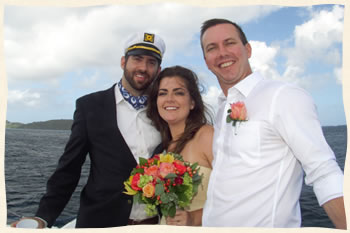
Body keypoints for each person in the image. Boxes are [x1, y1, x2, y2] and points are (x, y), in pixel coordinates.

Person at [200, 18, 347, 229]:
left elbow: (324, 171)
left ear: (248, 49)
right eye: (212, 48)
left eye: (230, 43)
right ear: (206, 61)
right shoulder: (222, 107)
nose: (222, 52)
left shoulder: (283, 96)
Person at [10, 32, 166, 228]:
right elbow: (69, 167)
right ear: (123, 62)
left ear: (159, 70)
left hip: (155, 224)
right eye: (137, 59)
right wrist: (43, 216)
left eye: (151, 62)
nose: (143, 67)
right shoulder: (90, 106)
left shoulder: (164, 110)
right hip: (100, 223)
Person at [146, 65, 214, 226]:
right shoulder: (163, 149)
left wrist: (194, 218)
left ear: (192, 102)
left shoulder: (206, 136)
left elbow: (235, 194)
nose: (169, 99)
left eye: (179, 92)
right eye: (163, 93)